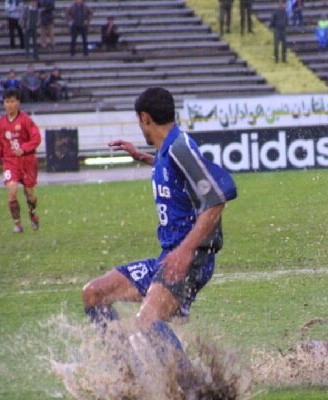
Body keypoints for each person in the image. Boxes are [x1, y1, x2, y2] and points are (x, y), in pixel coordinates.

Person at [81, 87, 237, 372]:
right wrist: (144, 158)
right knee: (94, 294)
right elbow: (179, 176)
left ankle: (195, 388)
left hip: (191, 258)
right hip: (169, 256)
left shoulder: (180, 147)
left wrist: (185, 252)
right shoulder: (168, 150)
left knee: (147, 321)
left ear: (144, 118)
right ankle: (127, 374)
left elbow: (217, 199)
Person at [0, 89, 41, 233]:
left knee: (30, 194)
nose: (9, 105)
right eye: (7, 101)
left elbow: (37, 138)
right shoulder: (1, 123)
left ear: (18, 102)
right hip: (10, 162)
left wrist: (24, 148)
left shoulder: (26, 120)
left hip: (27, 161)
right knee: (12, 191)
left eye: (12, 101)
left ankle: (32, 213)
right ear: (3, 103)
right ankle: (17, 224)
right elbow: (0, 143)